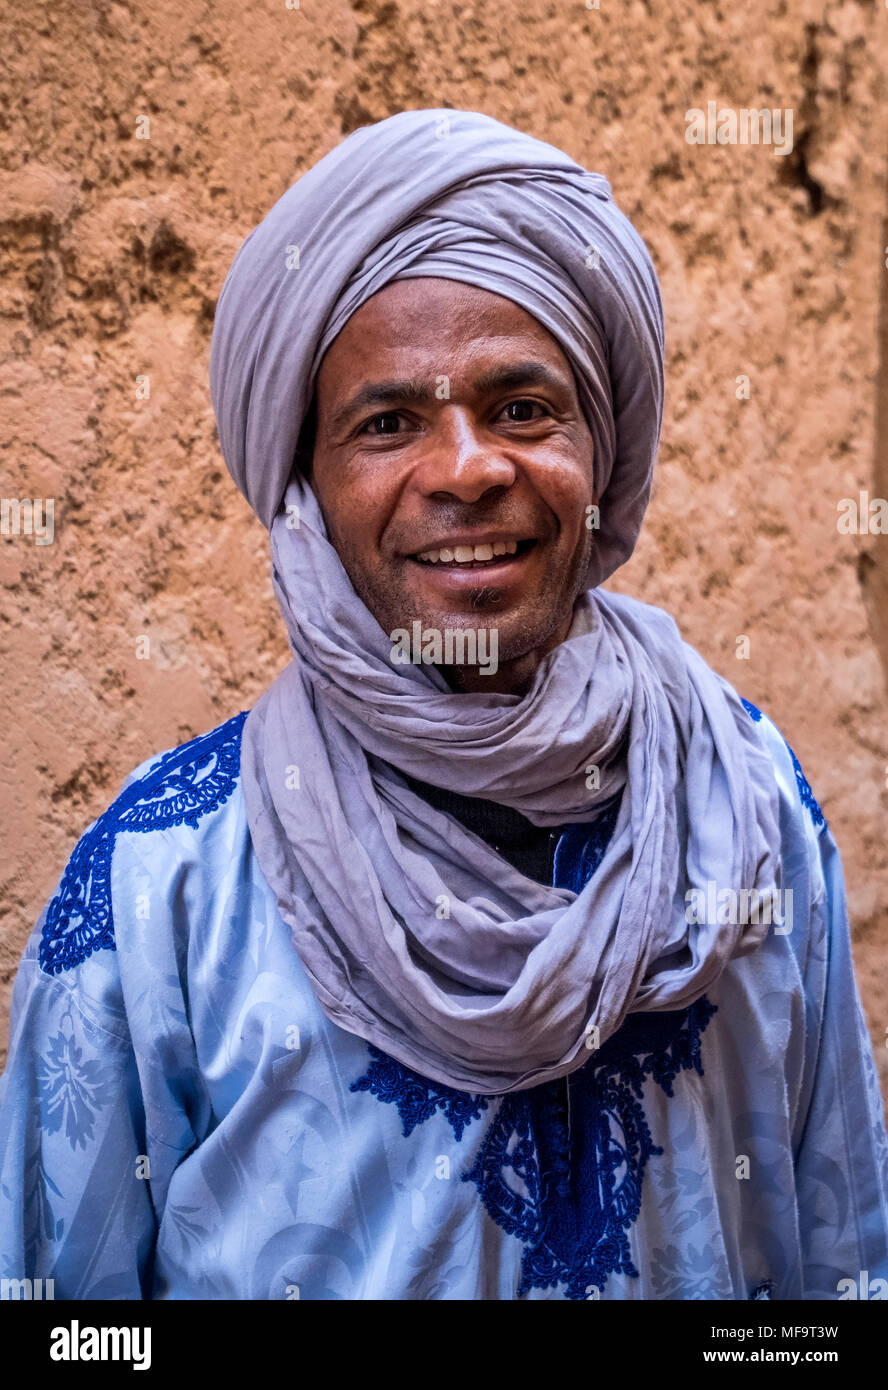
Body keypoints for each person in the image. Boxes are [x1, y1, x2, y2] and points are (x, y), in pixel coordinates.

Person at [1, 108, 886, 1302]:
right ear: (306, 483)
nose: (467, 469)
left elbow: (840, 1274)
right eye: (388, 423)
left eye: (523, 407)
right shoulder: (165, 889)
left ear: (601, 450)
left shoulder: (749, 803)